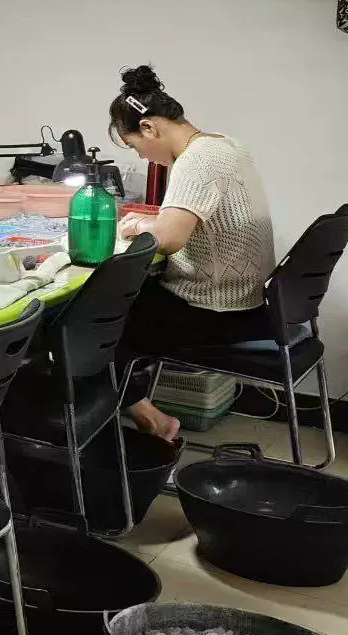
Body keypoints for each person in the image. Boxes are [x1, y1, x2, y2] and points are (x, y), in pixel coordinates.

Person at [109, 65, 276, 442]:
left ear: (149, 128)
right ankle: (136, 409)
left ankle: (148, 419)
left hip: (215, 311)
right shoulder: (226, 145)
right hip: (248, 301)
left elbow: (169, 238)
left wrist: (138, 224)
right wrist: (152, 221)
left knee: (92, 319)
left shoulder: (196, 160)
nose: (144, 158)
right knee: (119, 305)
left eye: (135, 147)